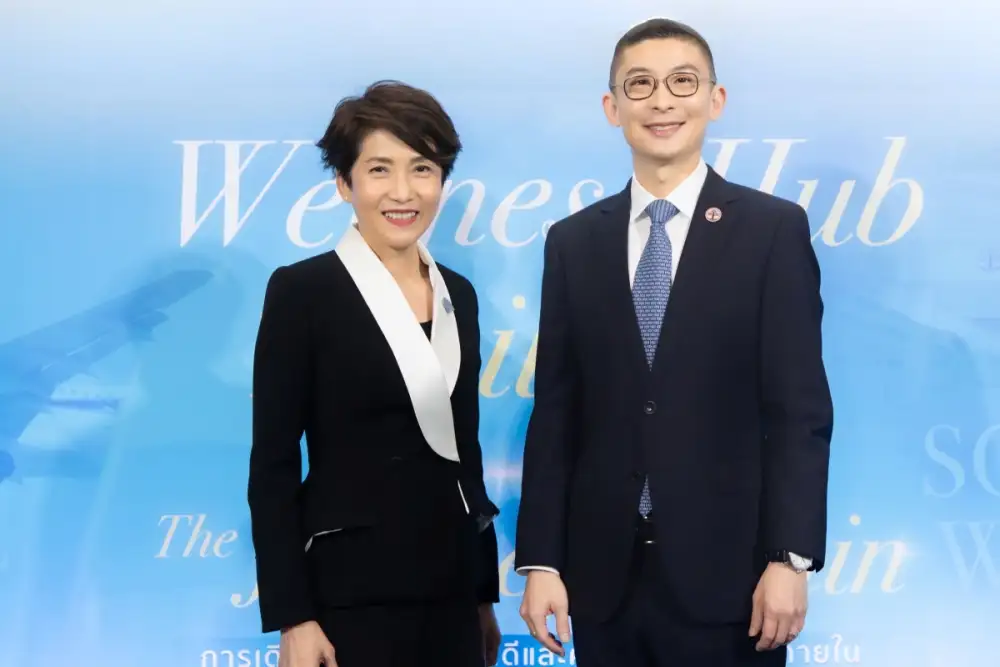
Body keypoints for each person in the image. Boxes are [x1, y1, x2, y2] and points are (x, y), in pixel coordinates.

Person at [514, 18, 834, 667]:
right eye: (640, 84)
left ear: (715, 99)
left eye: (682, 82)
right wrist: (542, 560)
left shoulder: (772, 231)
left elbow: (798, 413)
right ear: (613, 107)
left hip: (734, 579)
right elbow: (556, 412)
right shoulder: (573, 242)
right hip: (602, 582)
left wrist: (789, 558)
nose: (662, 101)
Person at [247, 80, 502, 667]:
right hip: (348, 597)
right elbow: (273, 466)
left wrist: (483, 596)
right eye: (380, 169)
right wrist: (293, 616)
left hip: (450, 592)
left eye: (422, 169)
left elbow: (465, 454)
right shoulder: (303, 292)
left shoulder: (458, 294)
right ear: (345, 183)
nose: (403, 192)